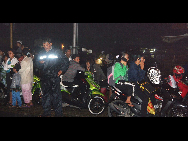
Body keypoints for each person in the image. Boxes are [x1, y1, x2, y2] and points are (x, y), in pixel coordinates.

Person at [36, 38, 69, 117]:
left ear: (50, 44)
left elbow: (66, 61)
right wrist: (40, 63)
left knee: (56, 96)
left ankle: (58, 114)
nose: (45, 47)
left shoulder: (57, 52)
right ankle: (46, 113)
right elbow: (37, 64)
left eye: (46, 45)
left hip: (54, 77)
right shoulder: (41, 53)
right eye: (44, 45)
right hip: (44, 78)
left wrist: (62, 70)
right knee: (45, 96)